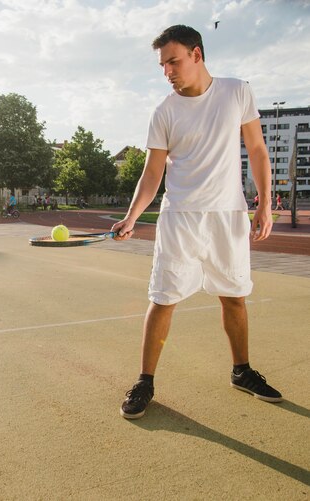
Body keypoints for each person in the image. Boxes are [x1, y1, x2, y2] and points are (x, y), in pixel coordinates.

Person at [111, 25, 282, 420]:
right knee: (163, 299)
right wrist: (132, 216)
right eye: (162, 65)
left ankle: (241, 371)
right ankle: (145, 381)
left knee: (235, 297)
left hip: (228, 214)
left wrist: (265, 204)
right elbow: (152, 173)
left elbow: (257, 150)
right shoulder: (164, 112)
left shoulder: (237, 91)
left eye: (173, 61)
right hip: (180, 217)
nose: (167, 71)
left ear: (197, 54)